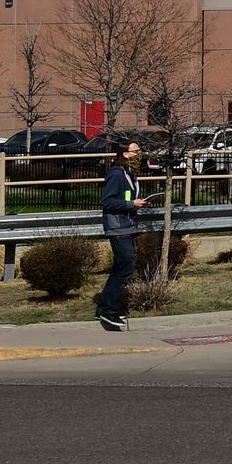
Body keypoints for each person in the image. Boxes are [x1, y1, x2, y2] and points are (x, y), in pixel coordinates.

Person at [96, 141, 149, 331]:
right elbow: (107, 201)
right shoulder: (116, 174)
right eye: (136, 151)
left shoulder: (129, 175)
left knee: (120, 267)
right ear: (125, 154)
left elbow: (126, 198)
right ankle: (108, 310)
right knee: (126, 267)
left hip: (129, 227)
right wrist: (131, 204)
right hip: (118, 229)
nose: (139, 155)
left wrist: (138, 203)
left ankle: (104, 306)